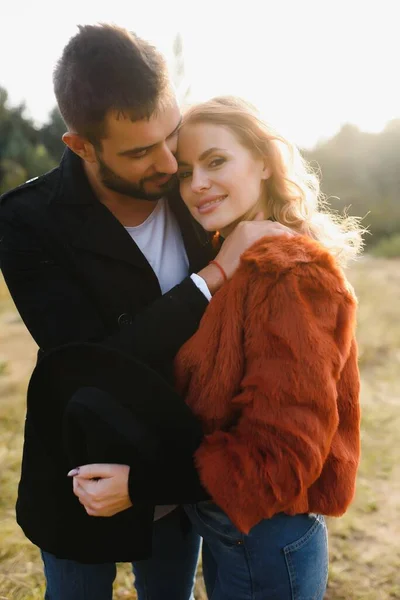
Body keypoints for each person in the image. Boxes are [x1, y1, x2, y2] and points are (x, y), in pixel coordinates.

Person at [0, 26, 294, 600]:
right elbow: (91, 365)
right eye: (138, 151)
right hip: (80, 473)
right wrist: (213, 275)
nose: (168, 164)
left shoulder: (194, 190)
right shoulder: (26, 221)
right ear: (80, 145)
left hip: (178, 468)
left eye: (171, 135)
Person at [73, 97, 362, 599]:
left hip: (268, 539)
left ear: (266, 161)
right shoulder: (234, 261)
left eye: (216, 161)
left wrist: (143, 485)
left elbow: (282, 454)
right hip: (236, 534)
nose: (197, 184)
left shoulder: (288, 272)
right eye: (185, 172)